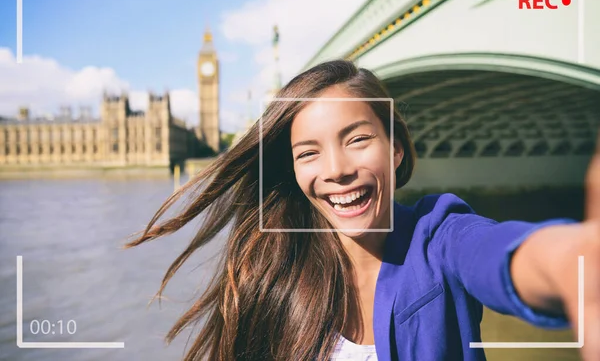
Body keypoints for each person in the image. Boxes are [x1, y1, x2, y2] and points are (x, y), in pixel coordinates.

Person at [125, 60, 600, 361]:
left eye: (357, 140)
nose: (336, 170)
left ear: (395, 149)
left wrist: (569, 264)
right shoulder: (270, 273)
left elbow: (499, 255)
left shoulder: (439, 239)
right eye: (308, 153)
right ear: (292, 171)